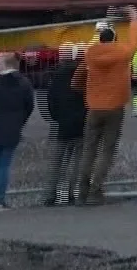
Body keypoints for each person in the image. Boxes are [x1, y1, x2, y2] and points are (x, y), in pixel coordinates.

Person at [73, 6, 137, 206]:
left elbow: (77, 79)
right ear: (113, 39)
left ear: (100, 39)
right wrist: (135, 18)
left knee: (89, 150)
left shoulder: (90, 54)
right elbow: (134, 40)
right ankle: (96, 191)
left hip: (94, 107)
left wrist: (84, 91)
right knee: (107, 150)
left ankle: (82, 192)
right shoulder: (122, 52)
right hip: (114, 107)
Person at [0, 52, 36, 211]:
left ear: (6, 65)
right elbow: (29, 107)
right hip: (12, 128)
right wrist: (19, 121)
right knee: (4, 166)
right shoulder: (24, 84)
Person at [40, 43, 88, 206]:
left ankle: (50, 195)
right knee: (78, 162)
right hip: (82, 123)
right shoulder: (85, 74)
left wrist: (57, 117)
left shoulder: (55, 76)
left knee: (57, 162)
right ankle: (72, 194)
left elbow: (51, 101)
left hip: (61, 125)